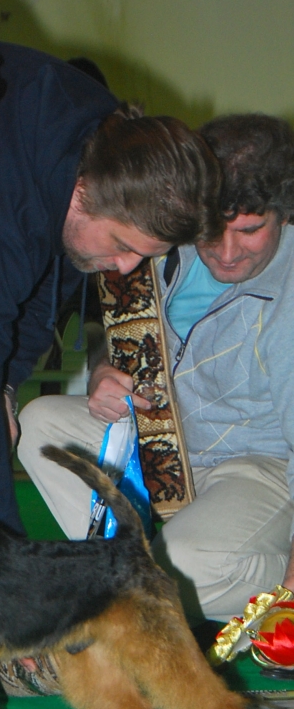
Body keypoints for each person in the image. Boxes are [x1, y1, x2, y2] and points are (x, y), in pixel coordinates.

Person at [19, 113, 294, 626]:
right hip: (162, 448)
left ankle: (154, 587)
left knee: (177, 568)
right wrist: (104, 373)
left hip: (261, 467)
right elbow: (123, 342)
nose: (227, 253)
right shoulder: (167, 246)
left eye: (252, 230)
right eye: (214, 231)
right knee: (40, 425)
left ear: (284, 215)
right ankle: (130, 580)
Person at [0, 41, 222, 534]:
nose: (123, 269)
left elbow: (40, 295)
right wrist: (0, 552)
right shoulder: (6, 182)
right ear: (84, 189)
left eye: (143, 255)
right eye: (123, 245)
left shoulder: (87, 167)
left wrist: (8, 389)